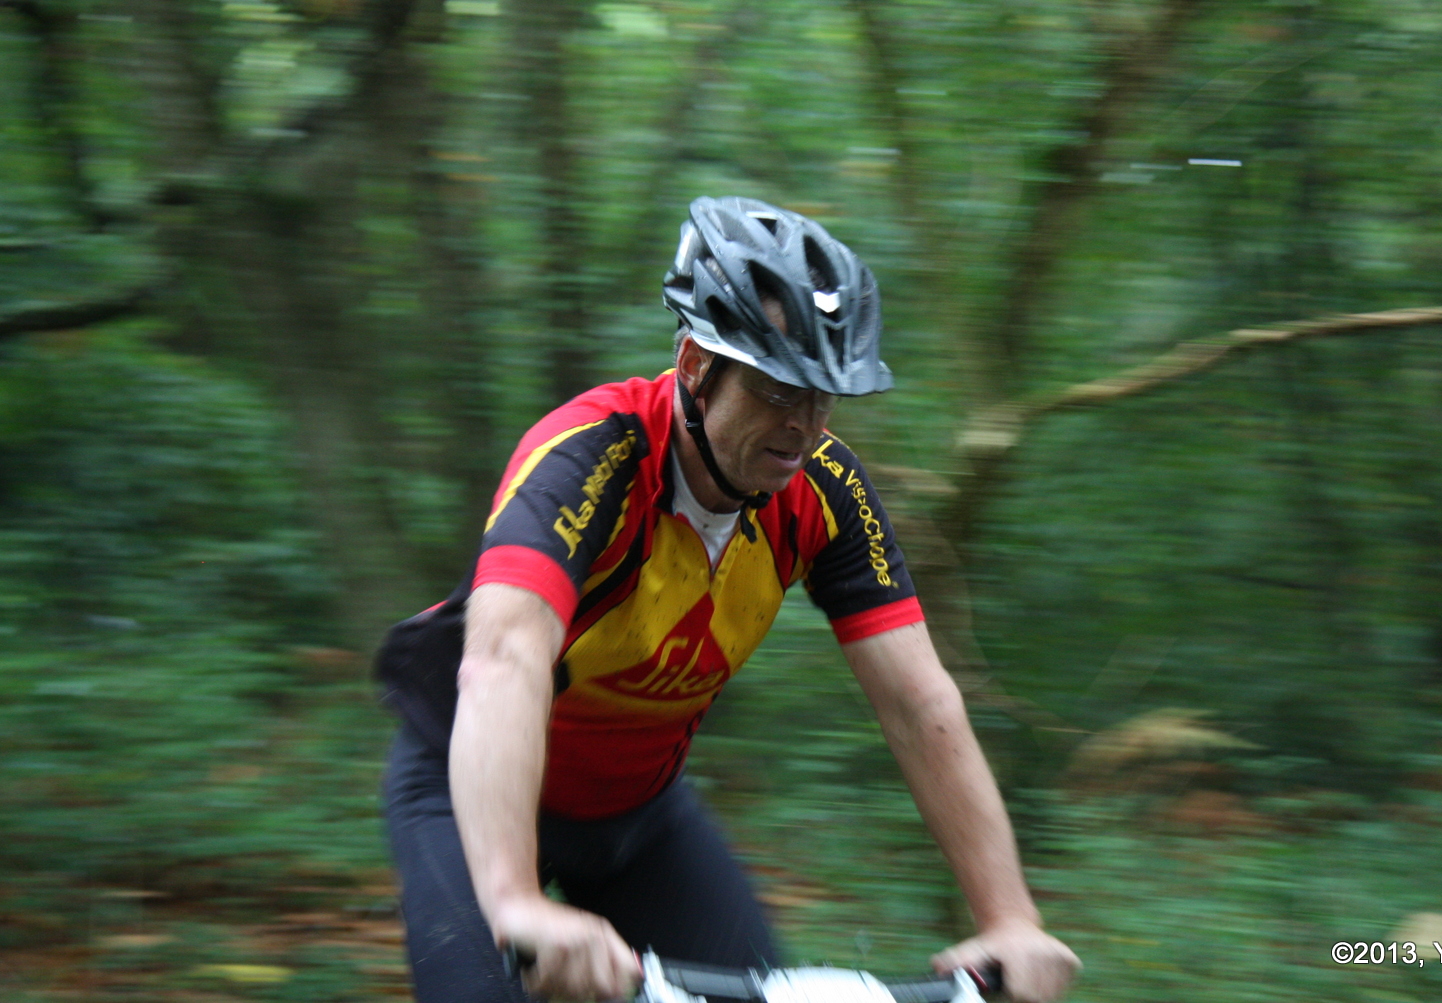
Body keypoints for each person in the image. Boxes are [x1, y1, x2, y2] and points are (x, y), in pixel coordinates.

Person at [377, 197, 1081, 1003]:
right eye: (780, 389)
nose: (805, 426)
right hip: (468, 792)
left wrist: (1010, 917)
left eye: (825, 396)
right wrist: (514, 899)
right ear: (693, 366)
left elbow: (920, 704)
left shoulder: (826, 491)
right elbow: (504, 660)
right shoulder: (589, 457)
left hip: (637, 812)